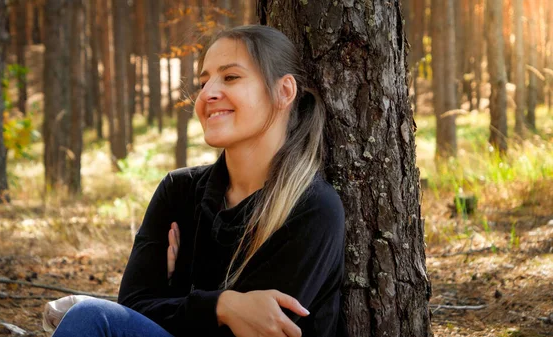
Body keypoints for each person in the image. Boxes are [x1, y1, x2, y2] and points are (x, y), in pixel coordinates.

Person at [50, 25, 346, 337]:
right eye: (203, 82)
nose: (207, 93)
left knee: (92, 317)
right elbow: (133, 310)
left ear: (284, 91)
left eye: (230, 77)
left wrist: (176, 293)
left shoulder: (312, 209)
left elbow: (255, 331)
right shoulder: (179, 191)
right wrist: (223, 307)